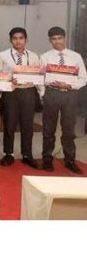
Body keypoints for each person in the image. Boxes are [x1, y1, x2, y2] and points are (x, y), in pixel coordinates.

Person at [39, 26, 87, 174]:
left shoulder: (75, 56)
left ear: (65, 38)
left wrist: (71, 85)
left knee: (69, 129)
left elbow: (84, 78)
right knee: (48, 129)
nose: (57, 41)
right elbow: (40, 78)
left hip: (69, 94)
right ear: (50, 40)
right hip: (52, 94)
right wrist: (44, 93)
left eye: (60, 38)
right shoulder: (45, 57)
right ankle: (47, 159)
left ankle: (70, 160)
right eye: (54, 39)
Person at [0, 27, 42, 168]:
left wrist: (41, 92)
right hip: (11, 92)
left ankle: (27, 154)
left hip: (28, 91)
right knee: (9, 124)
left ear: (26, 40)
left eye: (21, 38)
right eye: (15, 38)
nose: (18, 41)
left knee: (27, 125)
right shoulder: (2, 55)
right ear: (10, 40)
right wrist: (9, 79)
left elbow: (39, 75)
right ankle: (8, 154)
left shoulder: (34, 56)